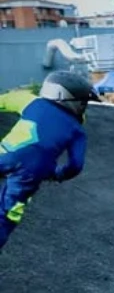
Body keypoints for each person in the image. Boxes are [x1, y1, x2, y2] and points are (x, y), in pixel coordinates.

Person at [0, 71, 101, 251]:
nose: (84, 107)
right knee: (9, 212)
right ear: (64, 96)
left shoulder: (31, 101)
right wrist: (56, 175)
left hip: (7, 152)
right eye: (83, 102)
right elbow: (76, 166)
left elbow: (4, 101)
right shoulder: (77, 130)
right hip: (34, 171)